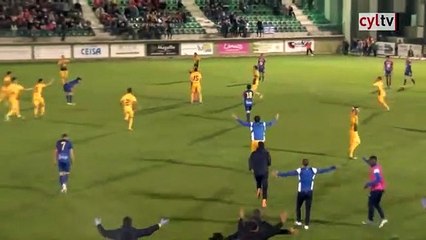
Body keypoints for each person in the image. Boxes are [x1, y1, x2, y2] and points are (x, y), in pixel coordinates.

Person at [273, 159, 336, 230]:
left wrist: (279, 174)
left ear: (302, 164)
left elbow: (289, 173)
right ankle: (306, 224)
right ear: (308, 164)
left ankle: (298, 221)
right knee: (308, 209)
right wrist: (332, 168)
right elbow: (322, 170)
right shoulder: (313, 170)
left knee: (298, 207)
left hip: (301, 192)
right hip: (309, 192)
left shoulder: (300, 170)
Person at [362, 155, 388, 228]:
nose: (369, 162)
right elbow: (369, 163)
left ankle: (370, 220)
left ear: (374, 161)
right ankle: (383, 219)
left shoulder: (376, 169)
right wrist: (364, 159)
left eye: (370, 161)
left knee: (371, 204)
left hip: (377, 189)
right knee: (376, 204)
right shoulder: (376, 166)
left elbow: (378, 179)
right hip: (380, 189)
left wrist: (368, 184)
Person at [95, 216, 169, 240]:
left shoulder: (117, 232)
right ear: (130, 223)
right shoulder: (135, 232)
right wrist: (160, 224)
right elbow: (148, 231)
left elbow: (104, 233)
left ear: (123, 223)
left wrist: (98, 224)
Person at [249, 142, 271, 208]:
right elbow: (269, 163)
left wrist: (251, 168)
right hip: (264, 171)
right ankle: (264, 200)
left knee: (258, 180)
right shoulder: (266, 153)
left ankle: (258, 189)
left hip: (256, 172)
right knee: (265, 185)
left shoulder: (253, 153)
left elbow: (250, 160)